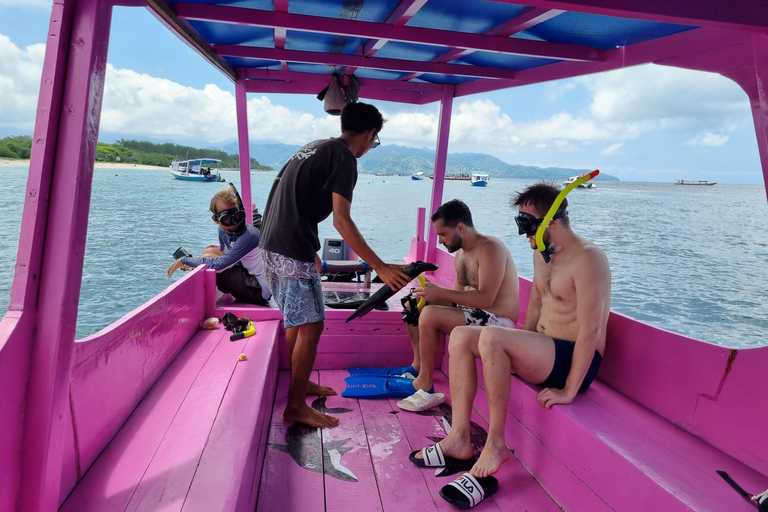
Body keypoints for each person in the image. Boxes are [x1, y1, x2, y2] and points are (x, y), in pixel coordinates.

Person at [412, 182, 611, 481]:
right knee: (462, 335)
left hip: (574, 361)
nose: (524, 233)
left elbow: (592, 330)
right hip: (544, 350)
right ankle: (459, 438)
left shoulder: (588, 258)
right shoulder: (543, 254)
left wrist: (569, 389)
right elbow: (533, 309)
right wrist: (520, 343)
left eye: (528, 225)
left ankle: (495, 444)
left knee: (492, 336)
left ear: (552, 223)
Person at [259, 102, 410, 428]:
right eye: (375, 140)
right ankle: (296, 405)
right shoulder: (343, 157)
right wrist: (380, 267)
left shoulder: (315, 147)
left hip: (272, 244)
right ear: (370, 134)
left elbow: (285, 194)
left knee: (297, 322)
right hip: (289, 247)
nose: (371, 146)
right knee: (311, 324)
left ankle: (298, 385)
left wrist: (310, 246)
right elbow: (342, 220)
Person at [396, 199, 519, 412]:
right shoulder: (461, 254)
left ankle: (424, 383)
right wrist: (430, 295)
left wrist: (441, 294)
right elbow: (458, 298)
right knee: (415, 303)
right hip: (476, 315)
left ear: (460, 227)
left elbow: (486, 299)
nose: (441, 241)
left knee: (431, 315)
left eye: (443, 234)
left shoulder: (491, 248)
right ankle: (417, 367)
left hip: (498, 321)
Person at [167, 184, 272, 306]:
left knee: (213, 264)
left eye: (237, 216)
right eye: (226, 218)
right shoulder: (222, 231)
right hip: (247, 274)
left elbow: (219, 266)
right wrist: (203, 257)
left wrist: (187, 260)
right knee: (210, 251)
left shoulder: (249, 236)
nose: (233, 223)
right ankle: (195, 272)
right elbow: (224, 252)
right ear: (216, 219)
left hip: (259, 291)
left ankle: (199, 298)